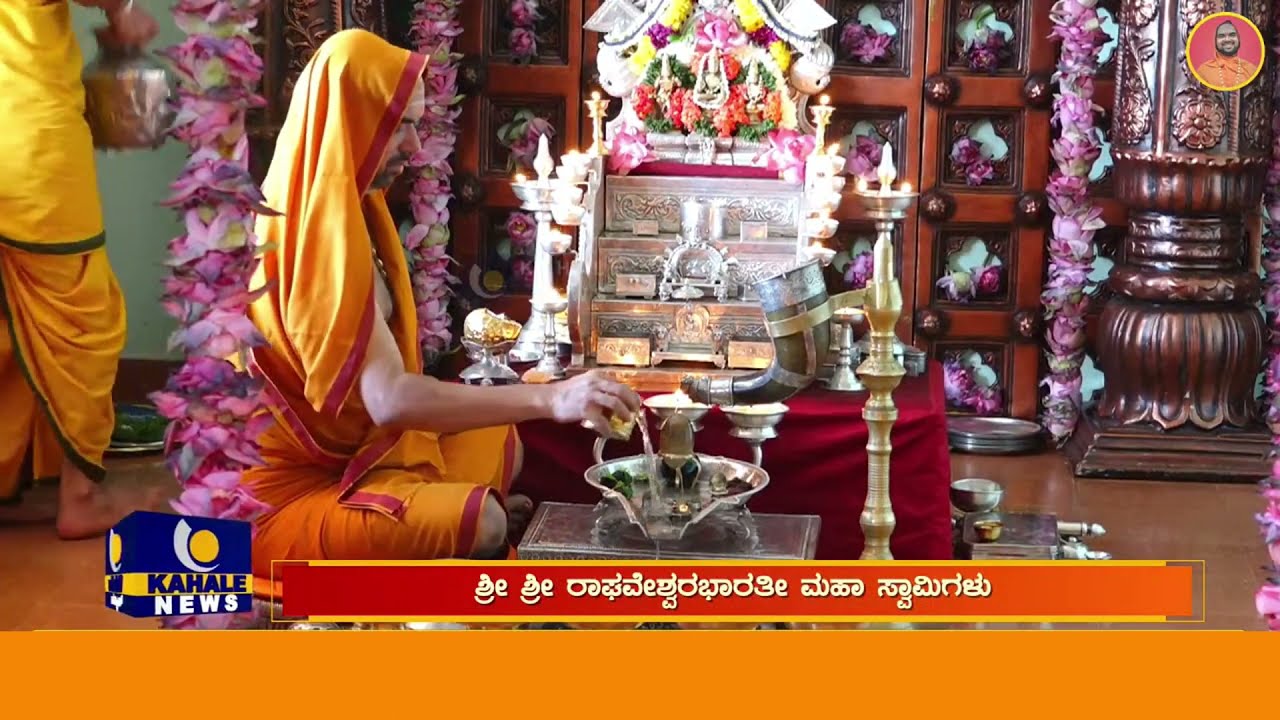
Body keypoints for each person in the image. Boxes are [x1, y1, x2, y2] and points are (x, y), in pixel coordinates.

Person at [244, 30, 641, 589]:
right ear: (349, 122)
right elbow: (389, 400)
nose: (413, 146)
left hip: (363, 460)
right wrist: (551, 398)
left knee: (499, 437)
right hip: (287, 505)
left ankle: (437, 529)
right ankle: (446, 537)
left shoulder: (352, 211)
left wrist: (534, 403)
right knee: (485, 521)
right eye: (398, 125)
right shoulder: (314, 236)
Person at [0, 0, 159, 539]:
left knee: (9, 322)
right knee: (84, 318)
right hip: (31, 145)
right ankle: (81, 499)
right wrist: (123, 12)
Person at [1193, 20, 1258, 91]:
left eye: (1232, 35)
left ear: (1239, 39)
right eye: (1221, 36)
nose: (1227, 39)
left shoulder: (1250, 70)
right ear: (1215, 41)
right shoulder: (1204, 71)